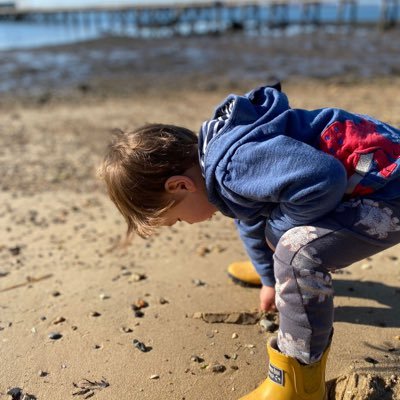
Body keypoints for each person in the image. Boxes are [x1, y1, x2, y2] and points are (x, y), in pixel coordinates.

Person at [99, 83, 400, 400]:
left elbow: (326, 178)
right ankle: (280, 274)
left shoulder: (233, 169)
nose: (184, 224)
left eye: (176, 219)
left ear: (179, 186)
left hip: (389, 193)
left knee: (295, 253)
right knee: (276, 231)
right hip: (379, 176)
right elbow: (251, 217)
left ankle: (298, 381)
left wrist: (278, 234)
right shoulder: (220, 159)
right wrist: (269, 279)